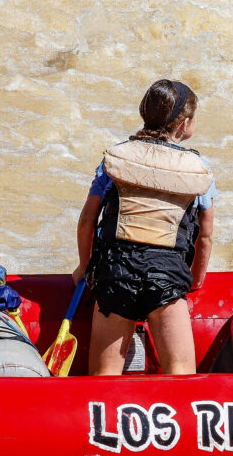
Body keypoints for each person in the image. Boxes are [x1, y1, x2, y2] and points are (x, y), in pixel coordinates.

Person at [74, 79, 216, 376]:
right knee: (181, 375)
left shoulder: (116, 158)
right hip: (167, 277)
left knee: (104, 378)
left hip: (116, 274)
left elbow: (88, 220)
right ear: (185, 124)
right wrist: (195, 279)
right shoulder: (198, 169)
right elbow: (205, 236)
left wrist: (84, 268)